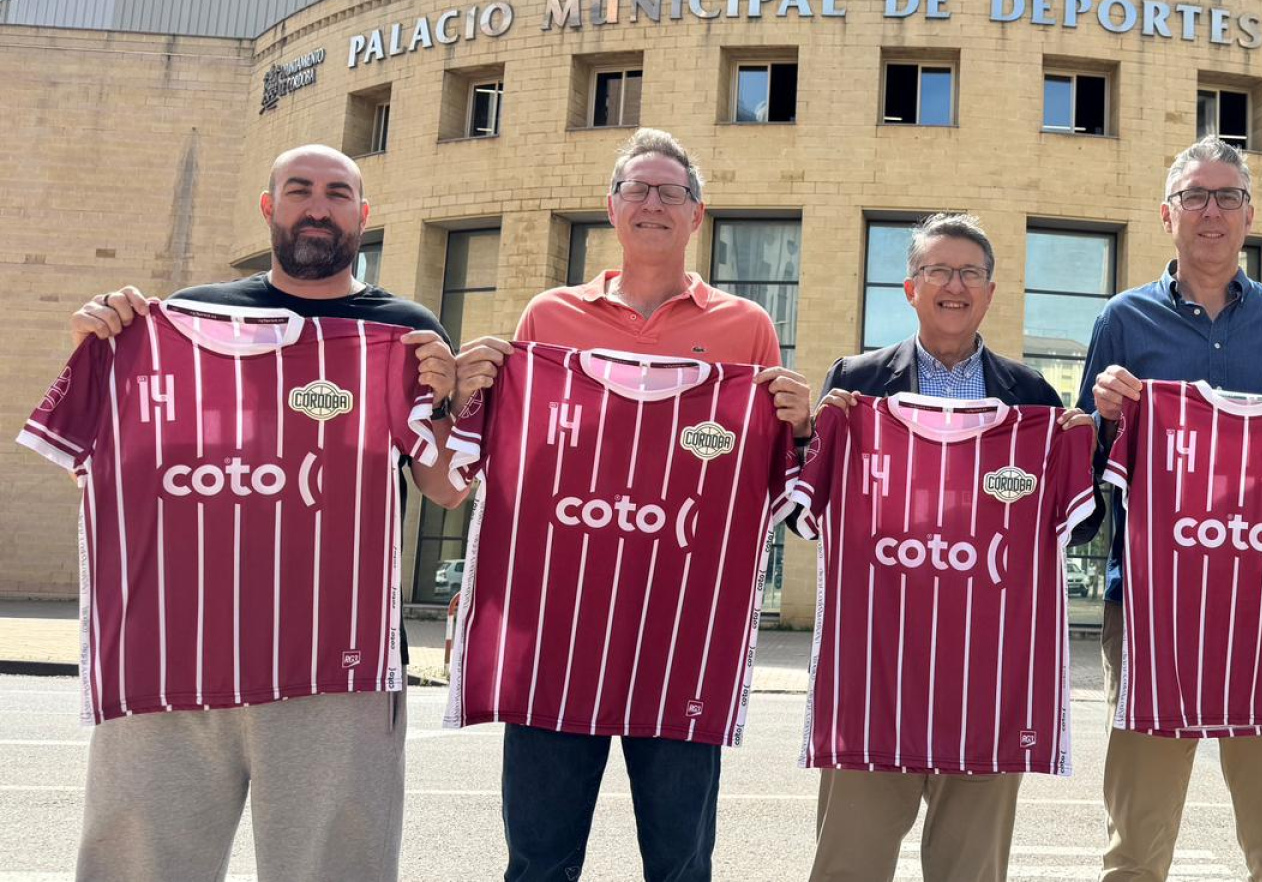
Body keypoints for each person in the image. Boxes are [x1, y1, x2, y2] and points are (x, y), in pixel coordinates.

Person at [61, 144, 464, 882]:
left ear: (363, 215)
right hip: (171, 650)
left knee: (334, 869)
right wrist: (102, 348)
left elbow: (446, 490)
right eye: (300, 190)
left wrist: (445, 403)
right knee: (139, 867)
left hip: (335, 658)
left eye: (338, 193)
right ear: (268, 207)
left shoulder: (401, 330)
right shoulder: (181, 319)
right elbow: (123, 471)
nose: (319, 206)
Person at [451, 127, 812, 882]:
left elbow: (769, 483)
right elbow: (520, 468)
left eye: (671, 192)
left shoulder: (747, 328)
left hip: (682, 639)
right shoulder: (546, 316)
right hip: (560, 632)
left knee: (680, 865)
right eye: (638, 190)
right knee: (538, 861)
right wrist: (476, 392)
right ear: (612, 210)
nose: (653, 203)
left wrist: (799, 426)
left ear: (696, 216)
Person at [1081, 136, 1262, 882]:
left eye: (1227, 197)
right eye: (1195, 196)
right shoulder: (1122, 322)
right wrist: (1106, 420)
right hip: (1153, 608)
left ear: (1250, 216)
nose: (1211, 211)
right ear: (1166, 214)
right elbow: (1084, 478)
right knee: (1135, 846)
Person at [807, 212, 1093, 882]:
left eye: (969, 272)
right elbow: (809, 519)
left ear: (991, 292)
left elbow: (1070, 530)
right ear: (910, 288)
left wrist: (1081, 448)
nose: (954, 284)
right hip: (876, 672)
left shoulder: (1033, 397)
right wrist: (807, 436)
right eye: (938, 270)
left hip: (988, 678)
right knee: (847, 866)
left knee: (971, 871)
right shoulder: (858, 384)